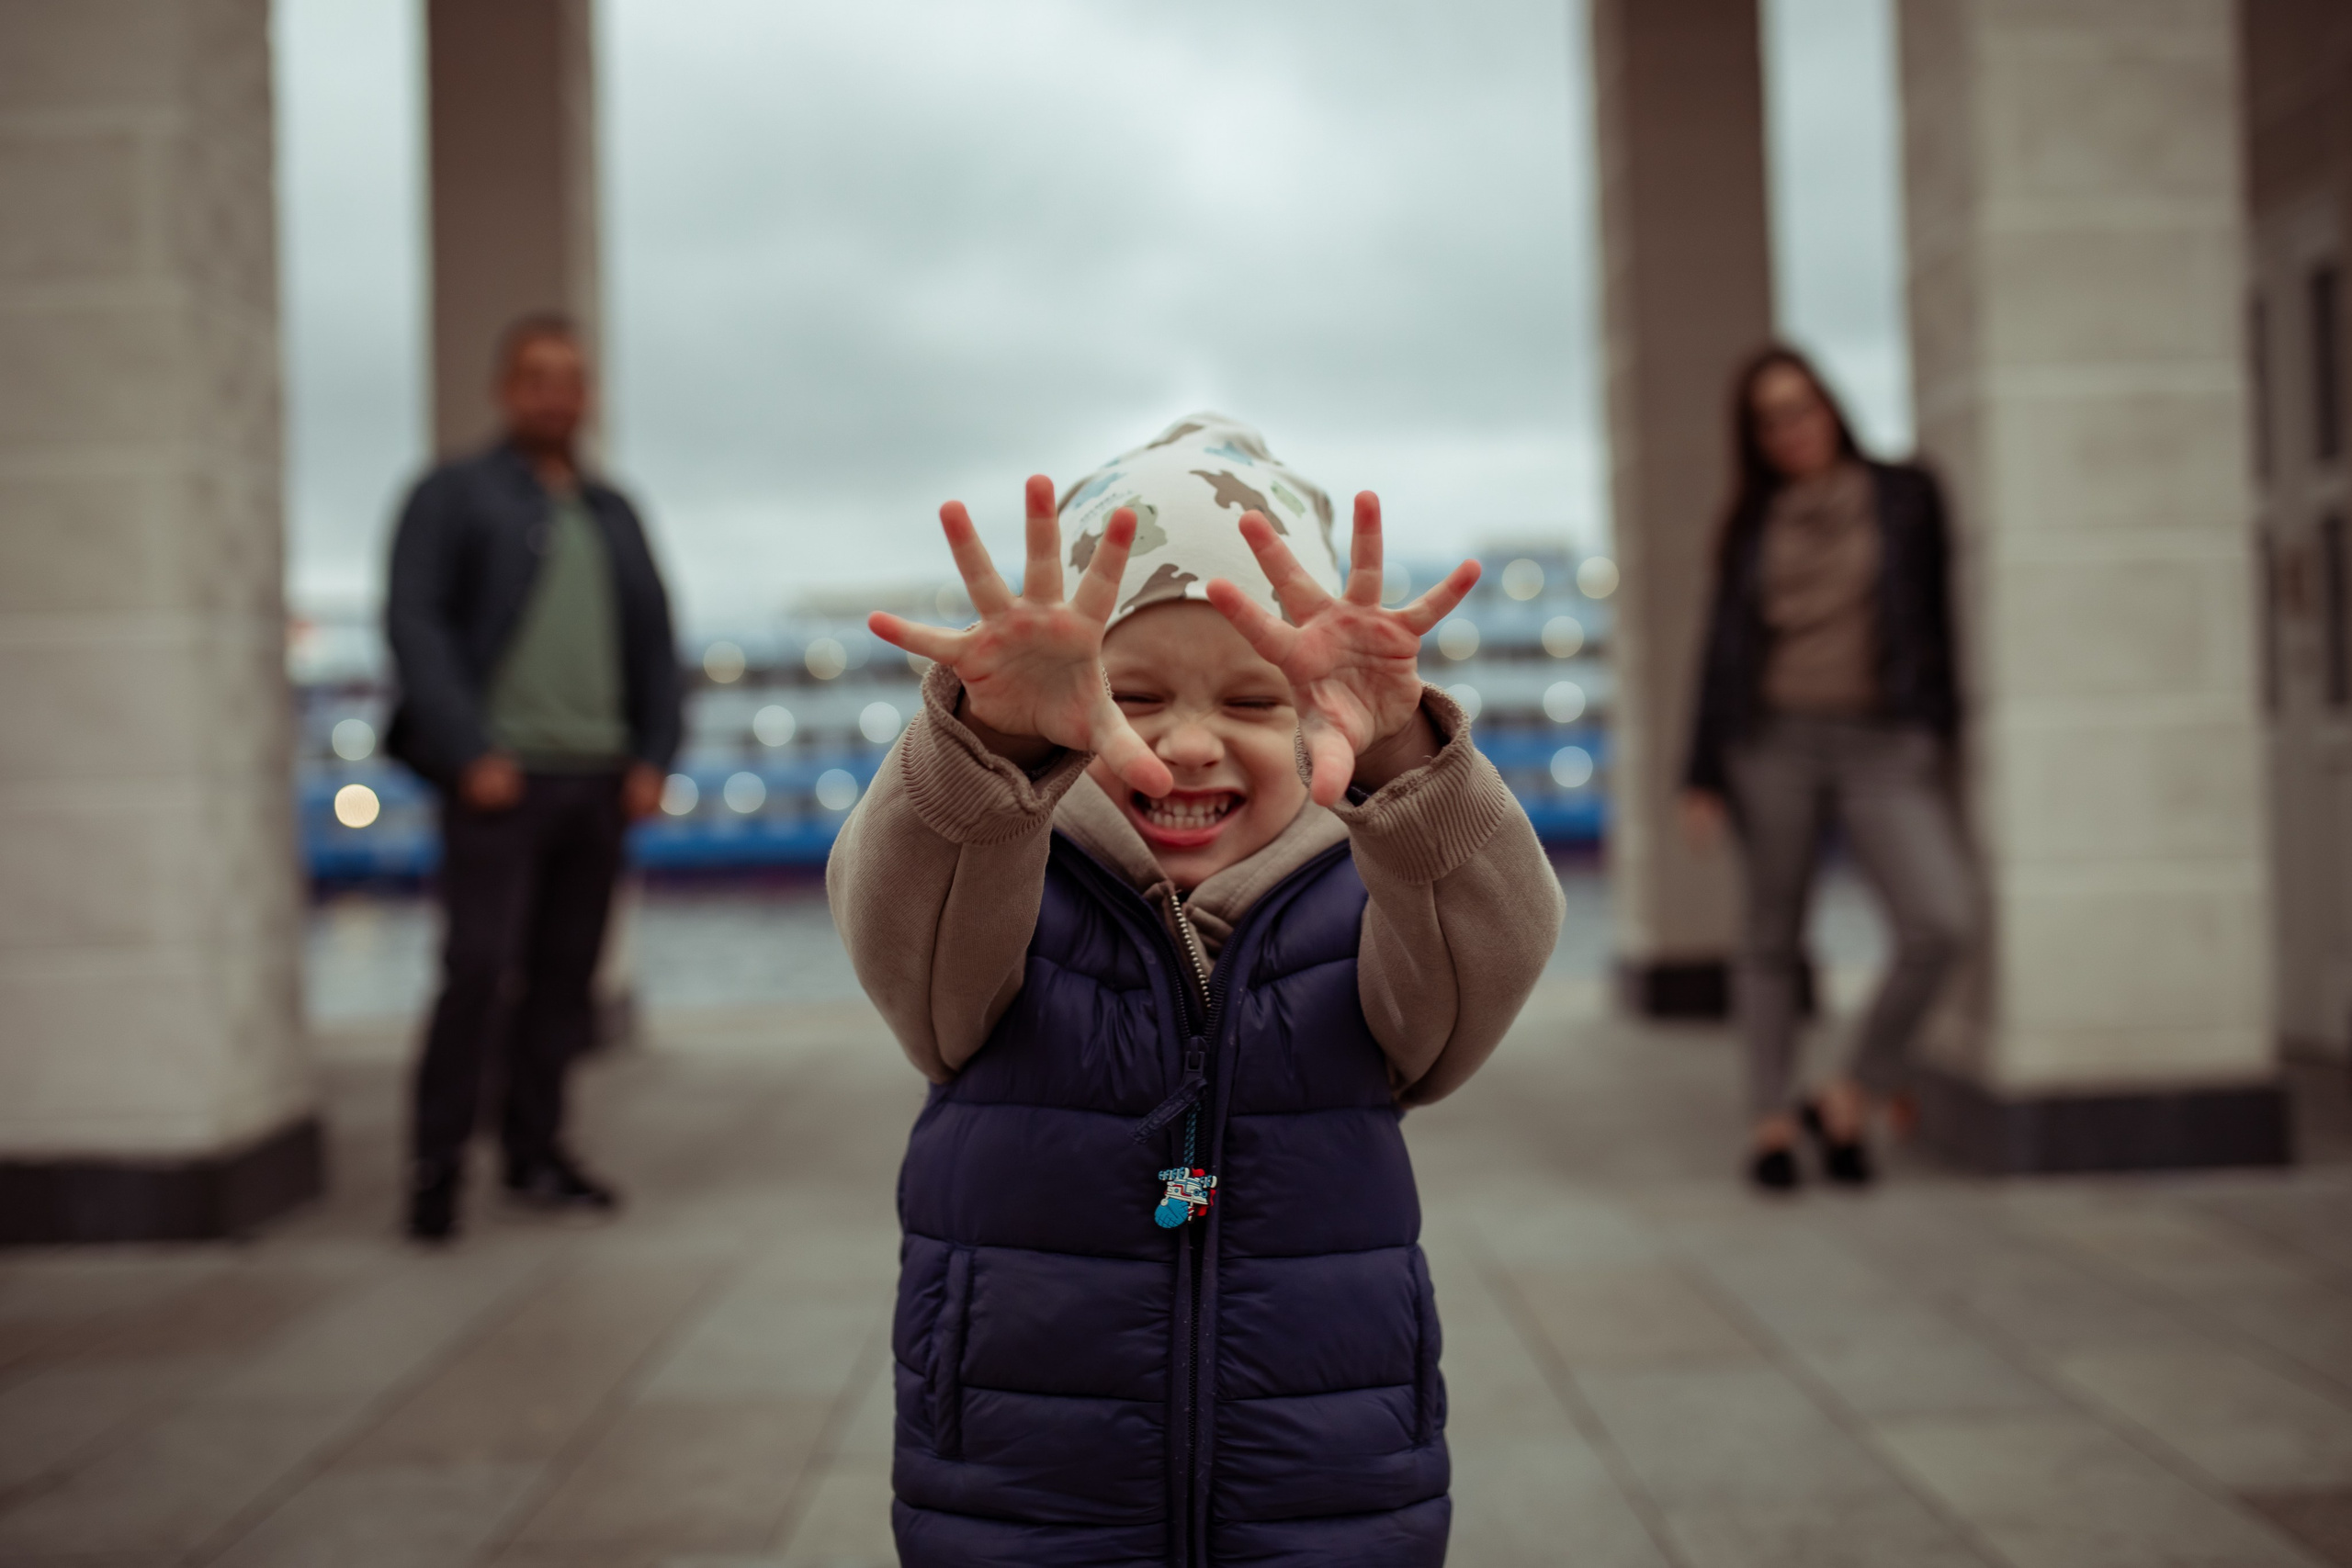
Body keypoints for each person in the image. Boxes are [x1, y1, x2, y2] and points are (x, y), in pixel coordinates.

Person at [828, 414, 1563, 1566]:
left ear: (1324, 714)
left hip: (1326, 1489)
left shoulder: (1372, 902)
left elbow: (1483, 977)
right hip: (1024, 1498)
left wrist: (1405, 765)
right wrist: (991, 754)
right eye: (1134, 695)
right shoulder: (999, 893)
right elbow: (896, 931)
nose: (1186, 745)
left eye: (1255, 702)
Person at [385, 314, 680, 1242]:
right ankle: (435, 1168)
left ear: (587, 397)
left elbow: (656, 642)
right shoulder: (449, 495)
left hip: (597, 781)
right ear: (505, 390)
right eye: (536, 377)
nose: (555, 395)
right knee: (475, 970)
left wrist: (651, 756)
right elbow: (415, 626)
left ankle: (537, 1152)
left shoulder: (613, 511)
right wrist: (469, 749)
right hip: (499, 783)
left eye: (571, 379)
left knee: (564, 979)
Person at [1683, 346, 1976, 1191]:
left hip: (1885, 742)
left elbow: (1938, 614)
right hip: (1772, 741)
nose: (1791, 430)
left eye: (1802, 407)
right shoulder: (1749, 523)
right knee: (1773, 934)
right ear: (1754, 437)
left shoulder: (1903, 495)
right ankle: (1772, 1116)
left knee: (1940, 921)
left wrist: (1935, 730)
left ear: (1832, 407)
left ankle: (1854, 1090)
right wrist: (1699, 773)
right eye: (1770, 419)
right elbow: (1721, 651)